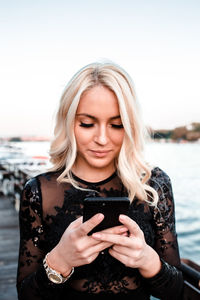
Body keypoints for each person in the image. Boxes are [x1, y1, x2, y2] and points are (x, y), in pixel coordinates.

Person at [16, 61, 183, 300]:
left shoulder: (154, 184)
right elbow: (25, 294)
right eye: (87, 123)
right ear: (68, 121)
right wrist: (59, 260)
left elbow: (176, 291)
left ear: (130, 126)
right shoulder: (39, 191)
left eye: (116, 125)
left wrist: (147, 260)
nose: (102, 139)